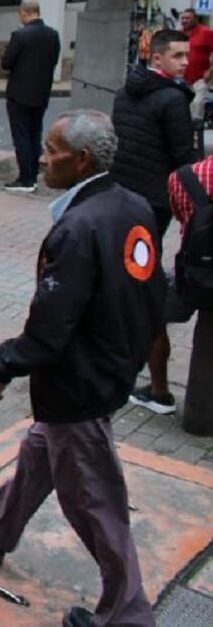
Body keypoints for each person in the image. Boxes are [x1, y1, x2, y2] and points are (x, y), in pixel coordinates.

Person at [0, 110, 161, 627]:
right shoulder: (132, 207)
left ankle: (128, 613)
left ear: (81, 160)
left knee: (95, 499)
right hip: (105, 373)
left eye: (52, 148)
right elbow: (151, 294)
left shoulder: (78, 228)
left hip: (79, 384)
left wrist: (2, 368)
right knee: (40, 448)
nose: (41, 157)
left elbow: (50, 325)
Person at [111, 29, 197, 417]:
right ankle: (156, 387)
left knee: (123, 282)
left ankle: (122, 366)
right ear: (157, 58)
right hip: (156, 205)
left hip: (122, 198)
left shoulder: (127, 90)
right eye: (178, 56)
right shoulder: (173, 101)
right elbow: (185, 163)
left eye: (188, 55)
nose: (186, 62)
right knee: (144, 288)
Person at [166, 151, 213, 435]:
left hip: (201, 276)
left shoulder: (182, 178)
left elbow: (182, 220)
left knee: (205, 349)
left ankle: (199, 421)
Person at [1, 1, 61, 193]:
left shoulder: (20, 35)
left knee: (21, 134)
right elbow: (54, 60)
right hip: (41, 92)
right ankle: (33, 175)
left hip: (19, 93)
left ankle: (25, 178)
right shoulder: (53, 35)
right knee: (35, 132)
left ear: (25, 13)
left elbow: (6, 62)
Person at [180, 8, 213, 84]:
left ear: (195, 19)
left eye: (188, 18)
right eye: (183, 18)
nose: (184, 20)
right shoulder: (180, 33)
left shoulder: (206, 32)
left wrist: (210, 72)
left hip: (200, 78)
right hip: (182, 77)